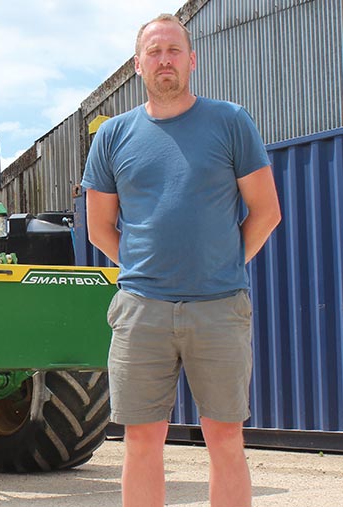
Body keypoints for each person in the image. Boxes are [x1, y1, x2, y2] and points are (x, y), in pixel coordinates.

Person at [81, 13, 281, 507]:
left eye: (174, 50)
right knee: (142, 441)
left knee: (225, 438)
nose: (164, 59)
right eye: (154, 52)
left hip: (218, 307)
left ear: (191, 60)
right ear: (138, 65)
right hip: (141, 310)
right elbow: (99, 226)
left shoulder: (230, 121)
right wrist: (142, 266)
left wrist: (228, 261)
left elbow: (266, 210)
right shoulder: (113, 136)